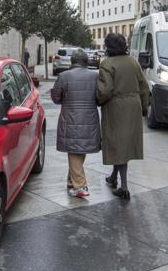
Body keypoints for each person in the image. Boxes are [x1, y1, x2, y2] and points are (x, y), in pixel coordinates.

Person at [97, 33, 150, 200]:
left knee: (116, 142)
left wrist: (98, 100)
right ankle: (114, 176)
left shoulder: (107, 64)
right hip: (133, 105)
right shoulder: (133, 62)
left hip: (116, 106)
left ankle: (124, 186)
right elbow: (144, 86)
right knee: (123, 144)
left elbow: (105, 91)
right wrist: (143, 107)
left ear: (108, 46)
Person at [50, 49, 101, 198]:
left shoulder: (63, 76)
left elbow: (56, 98)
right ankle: (72, 180)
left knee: (74, 149)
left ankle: (80, 186)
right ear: (86, 61)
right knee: (79, 148)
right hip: (89, 118)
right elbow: (99, 98)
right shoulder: (95, 76)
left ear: (72, 61)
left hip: (70, 118)